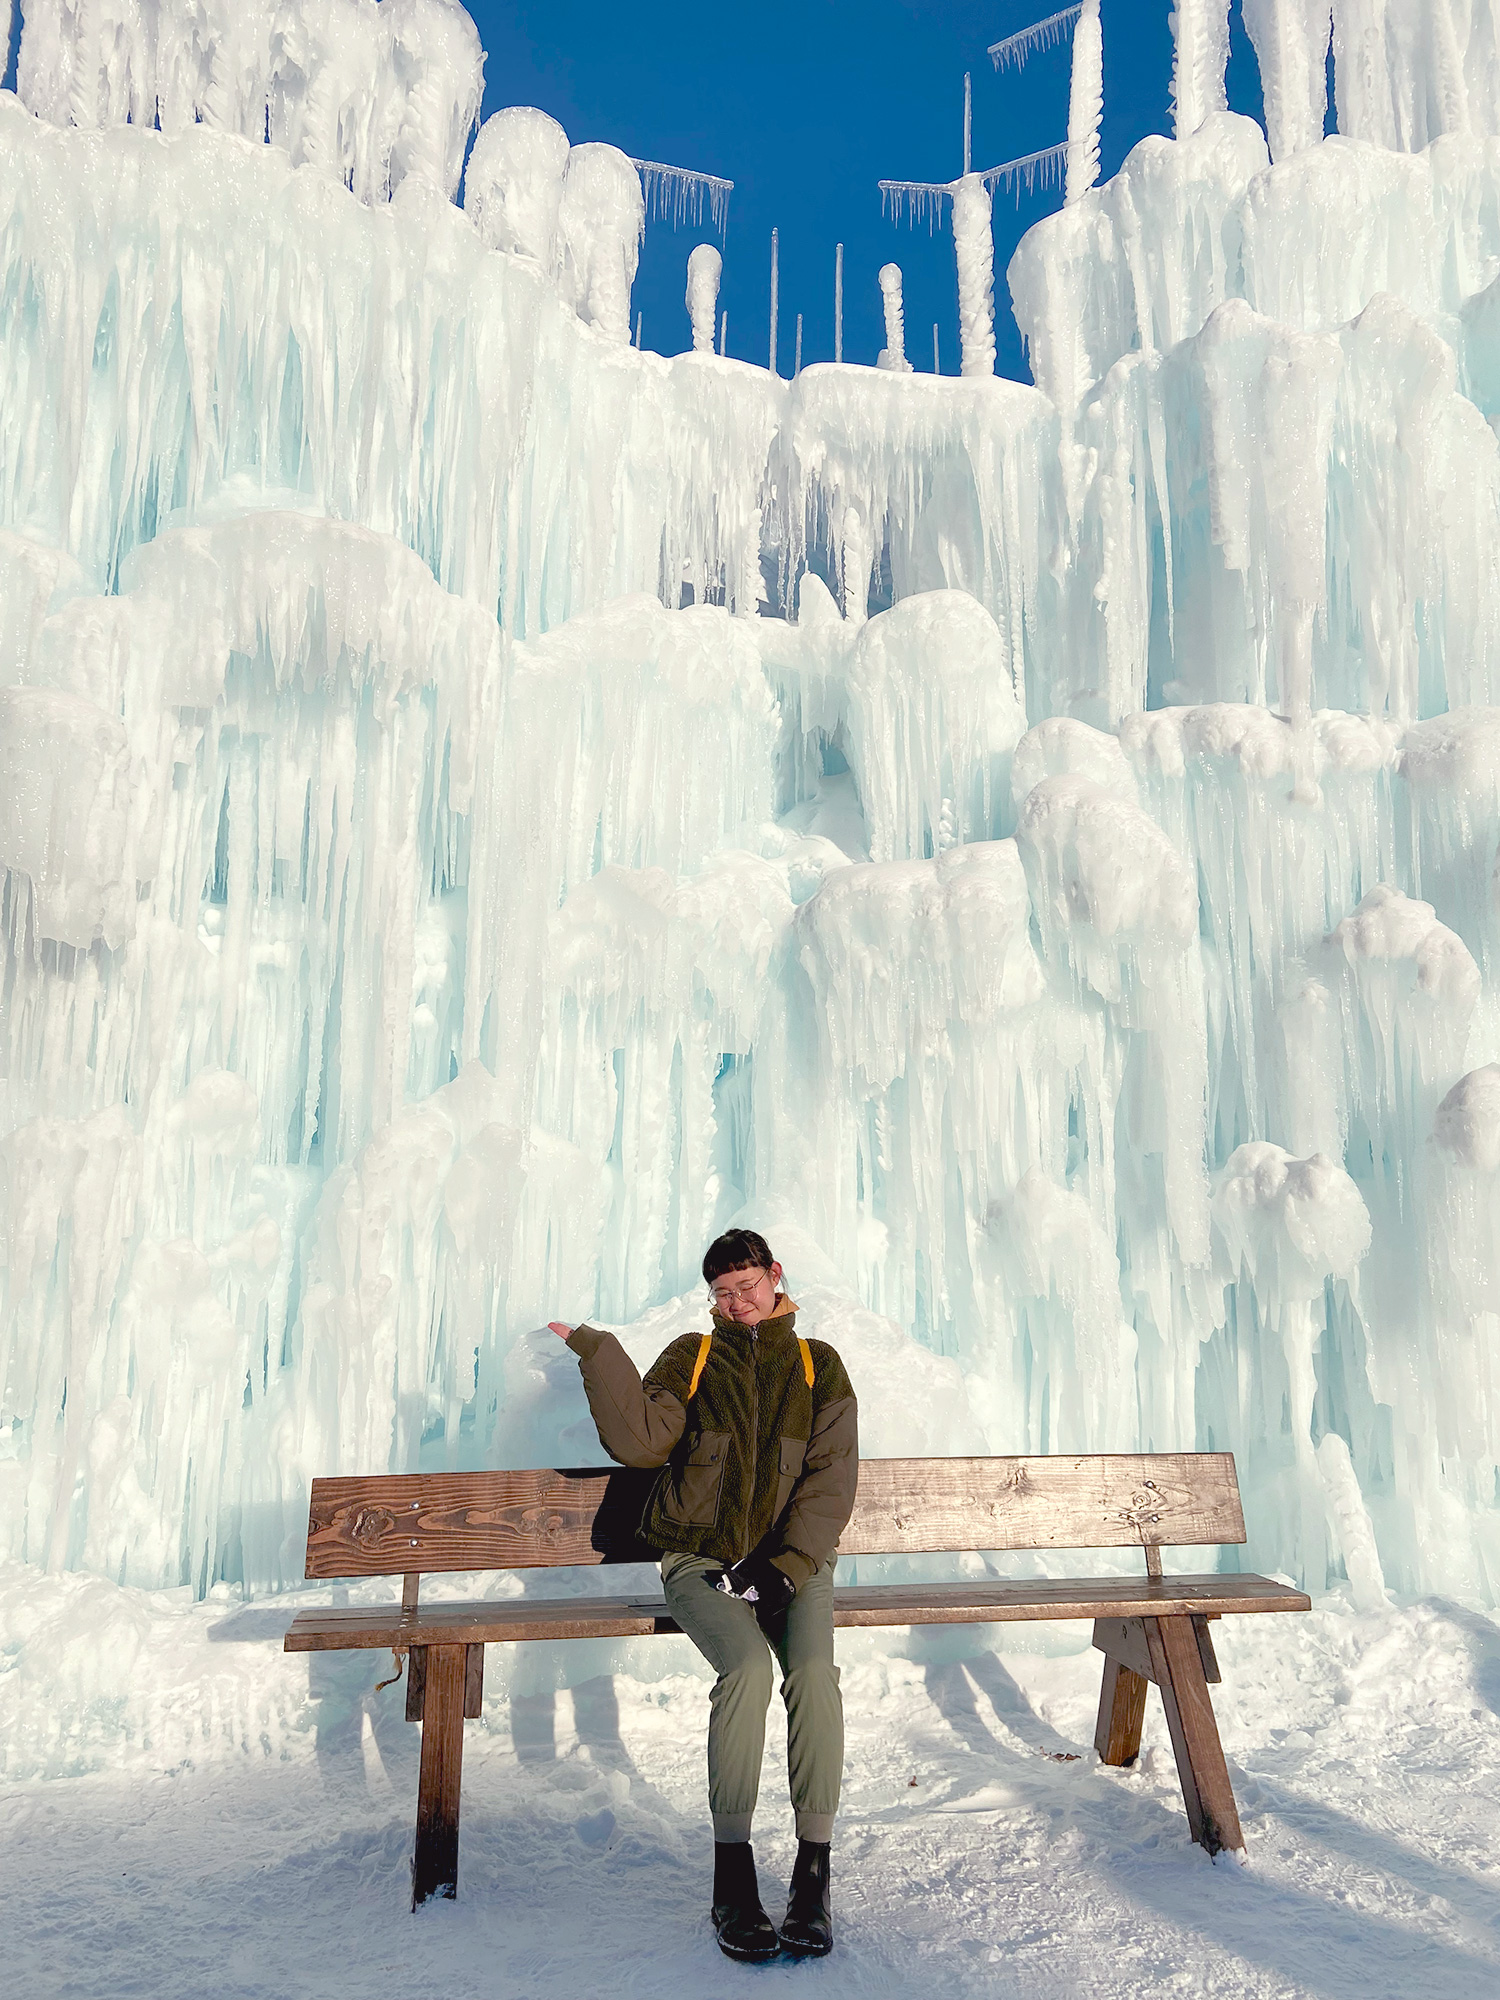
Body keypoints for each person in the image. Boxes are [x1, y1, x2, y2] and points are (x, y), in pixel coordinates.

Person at [548, 1227, 858, 1962]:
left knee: (813, 1676)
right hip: (702, 1563)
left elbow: (832, 1477)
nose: (736, 1301)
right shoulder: (694, 1356)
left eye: (747, 1285)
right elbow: (642, 1443)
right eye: (722, 1292)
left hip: (795, 1565)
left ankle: (812, 1880)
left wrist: (784, 1566)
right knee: (747, 1671)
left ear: (776, 1277)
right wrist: (598, 1352)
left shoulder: (819, 1367)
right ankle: (733, 1880)